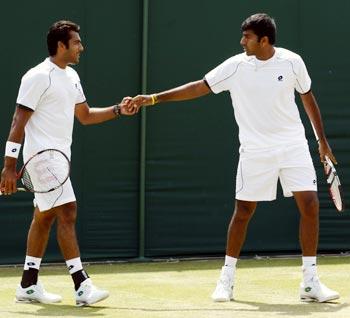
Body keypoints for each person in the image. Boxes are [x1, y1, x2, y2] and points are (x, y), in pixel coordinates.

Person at [129, 13, 339, 303]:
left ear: (264, 40)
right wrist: (153, 98)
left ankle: (310, 282)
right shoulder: (235, 66)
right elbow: (198, 87)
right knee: (243, 211)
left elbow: (307, 97)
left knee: (311, 205)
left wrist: (322, 141)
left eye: (247, 37)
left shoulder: (292, 62)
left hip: (293, 146)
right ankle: (226, 279)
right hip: (255, 151)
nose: (242, 41)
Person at [0, 20, 135, 306]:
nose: (81, 48)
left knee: (44, 217)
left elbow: (85, 116)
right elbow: (17, 122)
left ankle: (28, 284)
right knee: (68, 212)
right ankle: (81, 284)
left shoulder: (72, 76)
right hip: (42, 159)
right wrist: (9, 165)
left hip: (60, 160)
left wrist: (117, 110)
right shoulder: (38, 76)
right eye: (76, 43)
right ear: (61, 45)